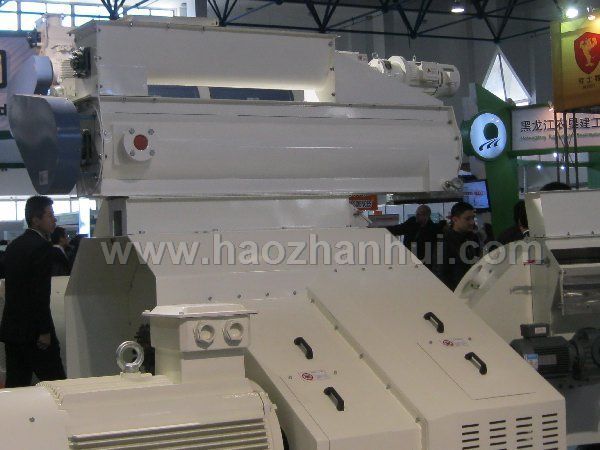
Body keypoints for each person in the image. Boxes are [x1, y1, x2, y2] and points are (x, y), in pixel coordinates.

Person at [0, 196, 66, 387]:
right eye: (50, 215)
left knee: (16, 385)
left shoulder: (14, 246)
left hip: (13, 330)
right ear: (36, 219)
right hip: (35, 333)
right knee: (57, 385)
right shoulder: (42, 247)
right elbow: (39, 292)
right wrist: (44, 330)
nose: (54, 220)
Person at [436, 201, 481, 291]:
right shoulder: (445, 241)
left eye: (473, 218)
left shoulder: (473, 238)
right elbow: (441, 273)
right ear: (455, 220)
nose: (472, 222)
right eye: (467, 219)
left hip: (472, 289)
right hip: (456, 292)